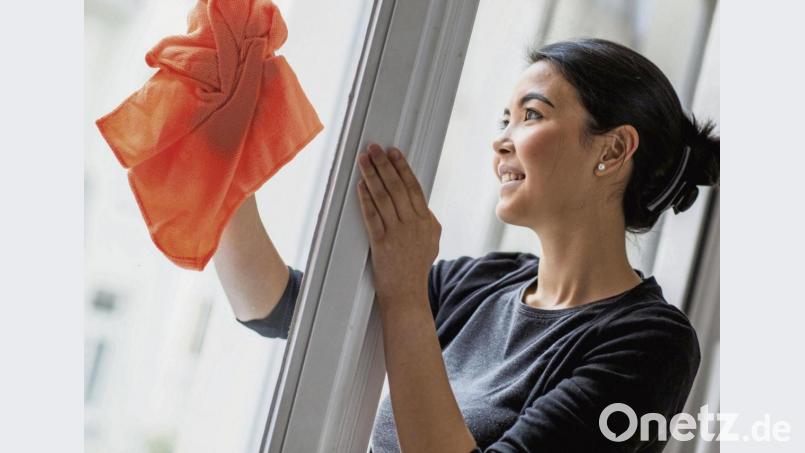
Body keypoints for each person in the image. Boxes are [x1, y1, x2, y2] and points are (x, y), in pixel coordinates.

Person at [214, 38, 719, 452]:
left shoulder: (652, 345)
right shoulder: (480, 282)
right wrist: (221, 165)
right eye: (505, 120)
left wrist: (405, 290)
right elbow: (280, 310)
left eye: (532, 115)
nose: (502, 139)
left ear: (612, 149)